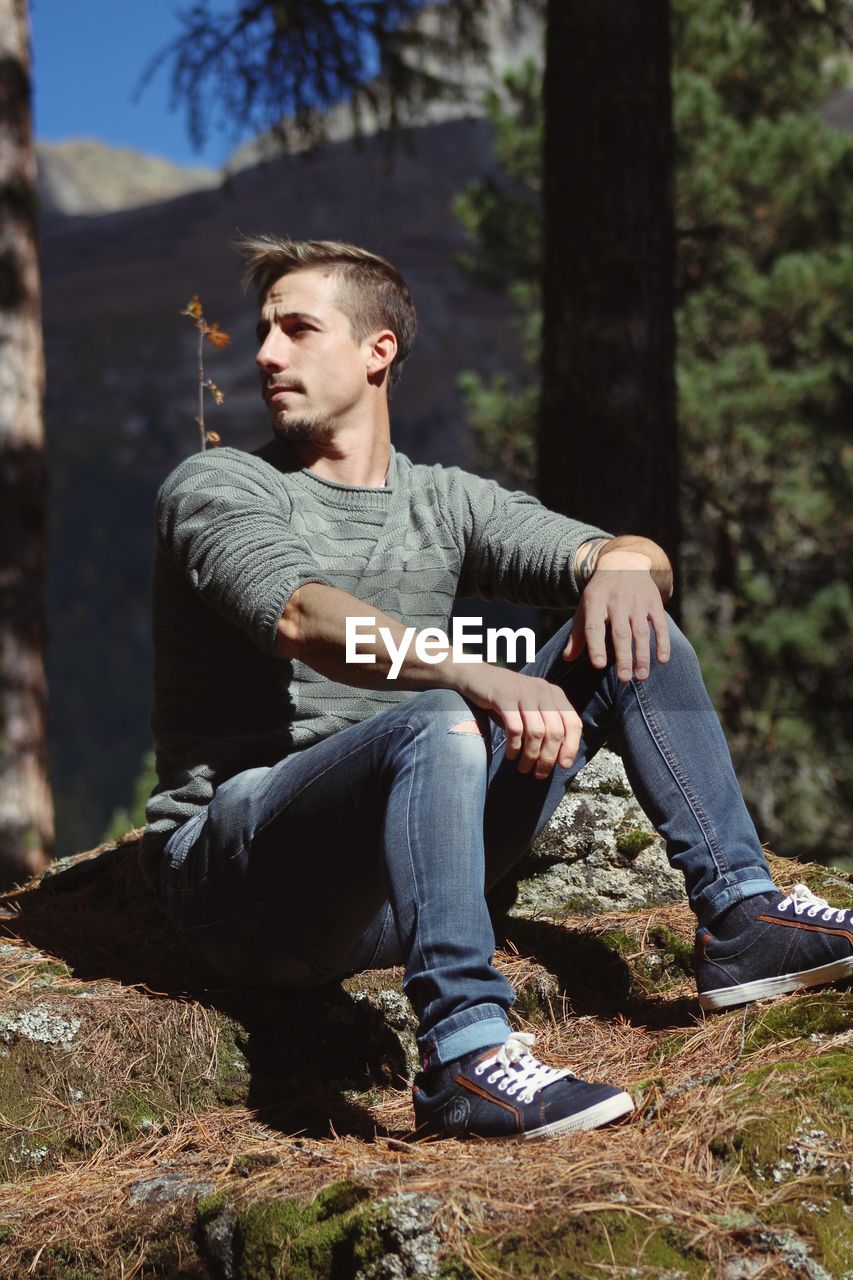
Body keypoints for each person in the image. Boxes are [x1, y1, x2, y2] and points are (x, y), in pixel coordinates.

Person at [143, 237, 853, 1142]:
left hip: (411, 867)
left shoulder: (443, 499)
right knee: (437, 718)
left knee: (633, 629)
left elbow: (632, 555)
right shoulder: (219, 485)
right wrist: (470, 671)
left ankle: (742, 914)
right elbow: (299, 617)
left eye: (296, 329)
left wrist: (625, 566)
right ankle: (465, 1055)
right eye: (261, 333)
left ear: (376, 351)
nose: (266, 355)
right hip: (245, 883)